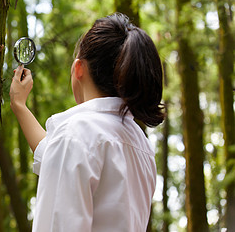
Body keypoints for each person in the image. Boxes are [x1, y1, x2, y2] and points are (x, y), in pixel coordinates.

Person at [10, 13, 164, 231]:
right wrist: (19, 106)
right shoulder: (140, 144)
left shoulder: (76, 135)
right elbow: (54, 154)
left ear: (79, 68)